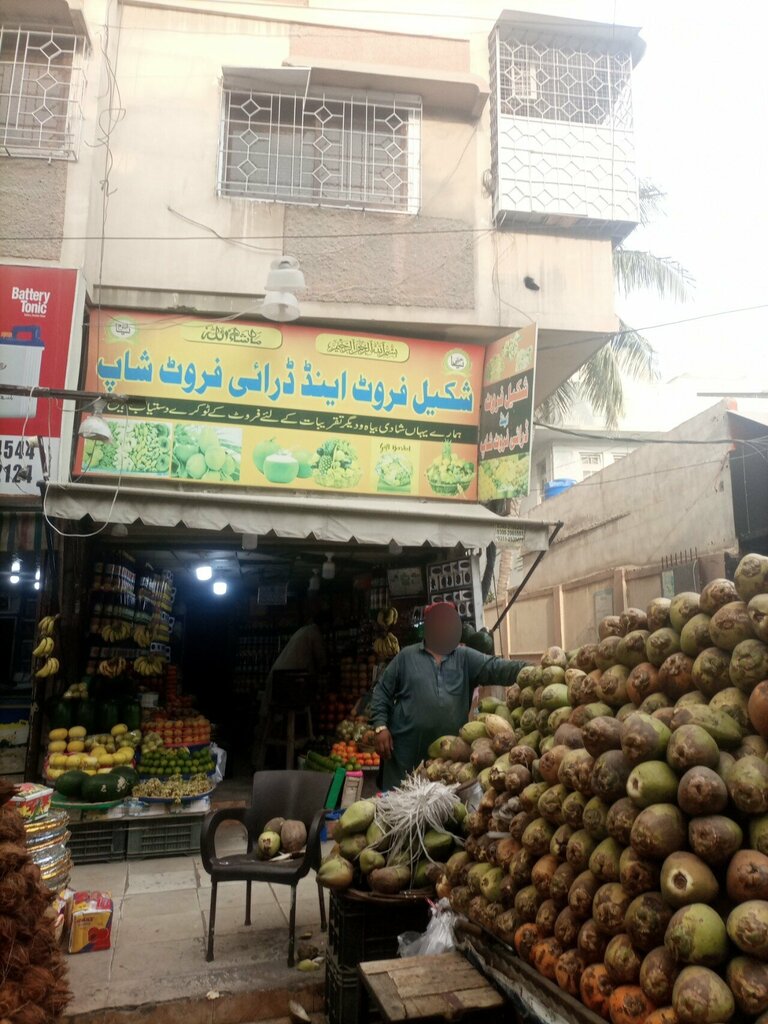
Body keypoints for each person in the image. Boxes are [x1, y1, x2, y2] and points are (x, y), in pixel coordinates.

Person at [369, 602, 527, 789]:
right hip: (405, 754)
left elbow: (496, 667)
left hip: (447, 759)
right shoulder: (406, 657)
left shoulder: (465, 658)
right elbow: (382, 691)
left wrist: (531, 670)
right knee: (399, 810)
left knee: (441, 811)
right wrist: (380, 726)